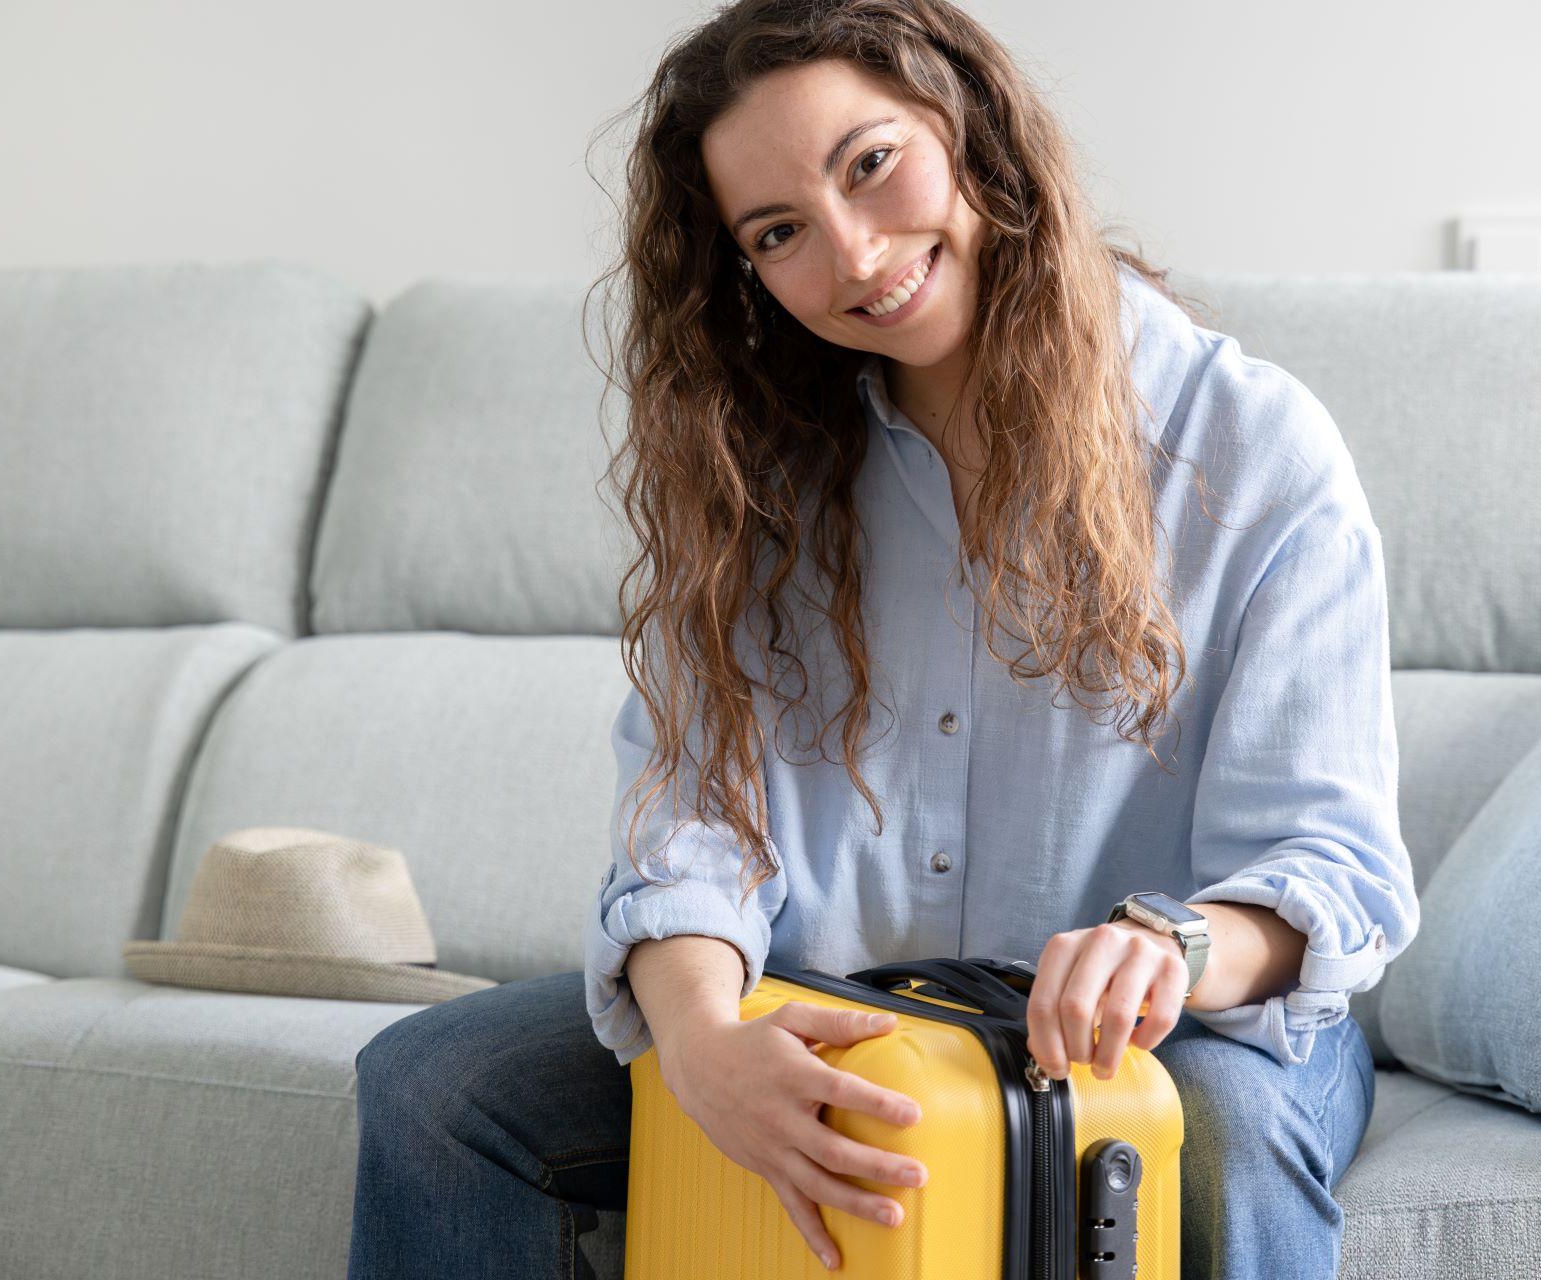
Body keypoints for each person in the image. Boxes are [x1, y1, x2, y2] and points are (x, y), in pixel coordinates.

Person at [347, 1, 1418, 1277]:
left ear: (971, 125)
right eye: (780, 232)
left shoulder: (1248, 451)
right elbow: (691, 826)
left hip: (1175, 1034)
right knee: (436, 1083)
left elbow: (1330, 869)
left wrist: (1166, 947)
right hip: (852, 1009)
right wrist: (699, 1040)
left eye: (871, 164)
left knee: (1218, 1134)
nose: (855, 257)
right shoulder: (763, 476)